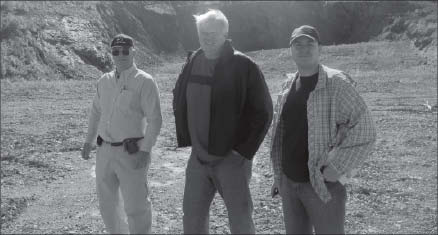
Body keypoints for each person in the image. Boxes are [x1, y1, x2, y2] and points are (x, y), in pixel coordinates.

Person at [172, 9, 273, 234]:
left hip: (231, 160)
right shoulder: (192, 61)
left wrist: (242, 152)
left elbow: (263, 112)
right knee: (192, 218)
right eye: (203, 32)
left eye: (213, 32)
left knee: (240, 219)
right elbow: (179, 95)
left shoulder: (244, 65)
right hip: (198, 160)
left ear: (225, 33)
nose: (208, 37)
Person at [269, 25, 377, 234]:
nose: (304, 48)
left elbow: (366, 132)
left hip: (321, 186)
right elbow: (281, 134)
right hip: (290, 184)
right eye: (298, 44)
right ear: (290, 50)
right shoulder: (288, 84)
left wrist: (338, 167)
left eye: (310, 43)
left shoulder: (337, 83)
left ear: (320, 49)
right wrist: (278, 177)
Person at [81, 33, 162, 234]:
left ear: (133, 52)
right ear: (111, 54)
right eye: (116, 51)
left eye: (126, 51)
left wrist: (145, 150)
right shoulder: (104, 81)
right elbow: (96, 111)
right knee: (107, 205)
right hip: (104, 151)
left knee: (136, 206)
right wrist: (88, 141)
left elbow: (155, 119)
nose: (121, 55)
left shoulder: (145, 81)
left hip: (132, 152)